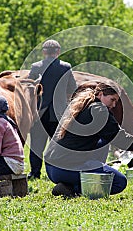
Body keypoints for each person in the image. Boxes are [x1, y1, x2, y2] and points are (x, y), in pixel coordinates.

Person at [44, 82, 133, 197]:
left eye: (116, 102)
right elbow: (120, 139)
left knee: (105, 140)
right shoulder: (100, 110)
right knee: (119, 182)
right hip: (67, 169)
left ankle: (72, 183)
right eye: (112, 100)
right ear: (101, 94)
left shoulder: (80, 104)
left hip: (51, 168)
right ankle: (72, 188)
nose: (113, 105)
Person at [27, 39, 77, 180]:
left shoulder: (35, 67)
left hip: (39, 113)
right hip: (58, 112)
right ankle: (56, 173)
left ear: (44, 52)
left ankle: (35, 173)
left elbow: (29, 89)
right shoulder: (65, 67)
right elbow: (72, 89)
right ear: (58, 52)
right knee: (57, 146)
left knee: (36, 145)